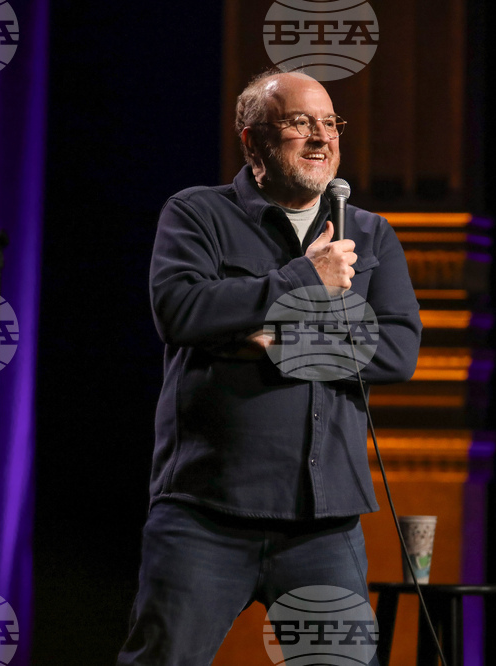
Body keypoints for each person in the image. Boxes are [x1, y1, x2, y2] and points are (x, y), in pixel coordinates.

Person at [116, 70, 422, 665]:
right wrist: (303, 278)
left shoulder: (371, 234)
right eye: (299, 123)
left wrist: (273, 339)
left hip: (324, 522)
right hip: (206, 513)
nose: (321, 137)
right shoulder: (198, 214)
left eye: (330, 123)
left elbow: (396, 350)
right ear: (253, 140)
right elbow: (181, 311)